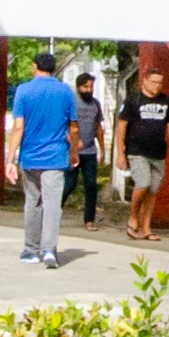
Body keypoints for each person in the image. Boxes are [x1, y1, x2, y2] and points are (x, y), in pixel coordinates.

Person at [7, 52, 79, 267]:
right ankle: (49, 250)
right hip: (56, 157)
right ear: (54, 68)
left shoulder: (24, 90)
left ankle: (30, 250)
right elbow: (73, 128)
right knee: (52, 205)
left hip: (29, 157)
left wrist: (10, 159)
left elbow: (18, 127)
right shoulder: (65, 91)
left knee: (32, 202)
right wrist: (73, 151)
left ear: (35, 66)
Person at [121, 74, 169, 242]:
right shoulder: (133, 100)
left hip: (158, 152)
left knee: (152, 191)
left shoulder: (165, 101)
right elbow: (121, 125)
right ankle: (133, 217)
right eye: (153, 82)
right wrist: (120, 153)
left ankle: (146, 228)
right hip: (137, 151)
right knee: (143, 183)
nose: (157, 85)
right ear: (144, 81)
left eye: (160, 82)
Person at [69, 67, 104, 223]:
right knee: (69, 184)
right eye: (85, 87)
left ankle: (89, 220)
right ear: (78, 87)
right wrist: (74, 142)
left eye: (91, 87)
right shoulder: (71, 102)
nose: (89, 90)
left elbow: (98, 127)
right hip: (72, 150)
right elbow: (64, 126)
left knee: (91, 185)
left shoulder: (95, 104)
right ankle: (54, 212)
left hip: (90, 151)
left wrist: (102, 149)